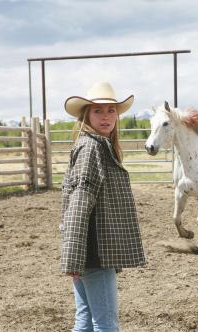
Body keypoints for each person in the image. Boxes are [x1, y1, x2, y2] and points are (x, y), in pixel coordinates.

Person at [60, 82, 146, 331]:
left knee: (86, 318)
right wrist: (74, 258)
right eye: (98, 111)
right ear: (86, 114)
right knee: (106, 323)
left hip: (89, 248)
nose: (106, 116)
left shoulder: (96, 145)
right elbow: (78, 201)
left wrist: (73, 255)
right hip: (94, 250)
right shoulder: (92, 148)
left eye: (111, 110)